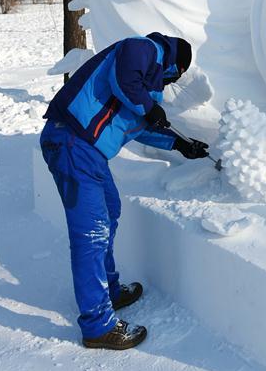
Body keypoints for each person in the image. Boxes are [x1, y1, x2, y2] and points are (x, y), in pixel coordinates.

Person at [40, 32, 209, 350]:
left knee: (110, 212)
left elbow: (139, 124)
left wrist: (180, 144)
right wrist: (148, 106)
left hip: (87, 151)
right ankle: (97, 325)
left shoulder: (144, 80)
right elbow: (125, 81)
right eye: (176, 75)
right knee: (91, 234)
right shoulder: (142, 48)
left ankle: (109, 290)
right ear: (175, 63)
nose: (171, 81)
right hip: (72, 141)